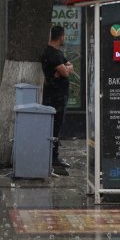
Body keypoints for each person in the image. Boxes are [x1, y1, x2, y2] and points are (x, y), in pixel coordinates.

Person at [40, 25, 73, 174]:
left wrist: (64, 69)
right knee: (55, 125)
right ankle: (53, 156)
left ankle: (53, 155)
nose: (64, 38)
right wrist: (64, 70)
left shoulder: (56, 53)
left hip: (53, 94)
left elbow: (68, 67)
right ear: (61, 36)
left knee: (54, 125)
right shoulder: (53, 54)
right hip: (56, 96)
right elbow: (66, 72)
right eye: (64, 36)